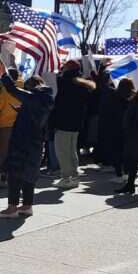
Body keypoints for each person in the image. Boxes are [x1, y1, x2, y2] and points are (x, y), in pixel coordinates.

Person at [0, 75, 54, 219]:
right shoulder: (47, 99)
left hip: (22, 141)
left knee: (14, 174)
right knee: (30, 174)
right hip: (36, 141)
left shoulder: (33, 97)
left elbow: (12, 89)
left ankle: (12, 207)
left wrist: (4, 74)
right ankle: (27, 206)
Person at [51, 60, 96, 189]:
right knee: (71, 151)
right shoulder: (83, 84)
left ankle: (66, 178)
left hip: (63, 122)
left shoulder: (62, 82)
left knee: (62, 151)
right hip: (76, 123)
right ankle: (74, 176)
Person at [98, 78, 135, 184]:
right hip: (129, 128)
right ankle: (127, 173)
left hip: (115, 128)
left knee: (117, 152)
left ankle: (119, 174)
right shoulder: (133, 97)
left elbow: (107, 112)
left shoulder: (114, 96)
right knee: (127, 152)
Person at [0, 69, 21, 187]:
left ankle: (4, 178)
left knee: (4, 153)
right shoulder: (24, 87)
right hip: (20, 126)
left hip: (6, 125)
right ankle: (17, 177)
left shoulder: (6, 90)